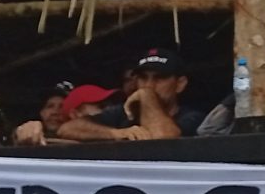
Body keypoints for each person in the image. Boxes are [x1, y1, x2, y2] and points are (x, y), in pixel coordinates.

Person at [59, 48, 200, 141]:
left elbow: (163, 140)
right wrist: (115, 133)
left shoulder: (193, 118)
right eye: (143, 77)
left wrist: (146, 95)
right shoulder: (123, 112)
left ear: (180, 84)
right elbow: (67, 129)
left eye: (160, 78)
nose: (149, 84)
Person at [15, 84, 114, 144]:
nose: (55, 112)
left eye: (62, 107)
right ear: (42, 113)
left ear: (73, 114)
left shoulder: (89, 137)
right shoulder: (32, 133)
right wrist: (24, 131)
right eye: (50, 106)